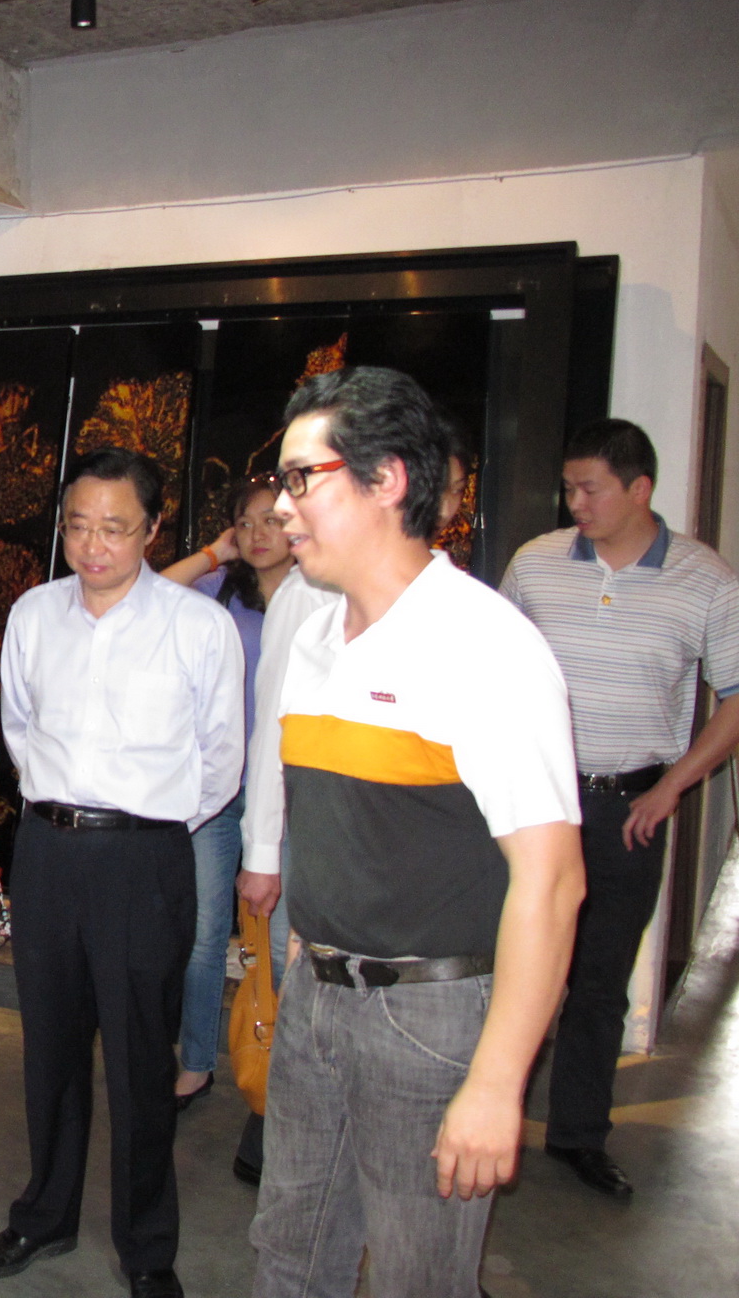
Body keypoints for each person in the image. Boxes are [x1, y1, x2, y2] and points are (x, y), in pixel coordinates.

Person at [248, 367, 584, 1298]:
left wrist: (497, 1083)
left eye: (301, 478)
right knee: (288, 1254)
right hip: (315, 995)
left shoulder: (485, 644)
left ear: (387, 479)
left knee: (417, 1278)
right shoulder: (312, 631)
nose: (282, 507)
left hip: (429, 1017)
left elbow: (553, 881)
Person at [0, 449, 243, 1298]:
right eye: (78, 525)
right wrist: (66, 812)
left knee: (138, 1059)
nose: (93, 545)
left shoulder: (197, 626)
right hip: (49, 851)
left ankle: (147, 1247)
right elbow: (18, 727)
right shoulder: (33, 613)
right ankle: (44, 1215)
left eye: (115, 528)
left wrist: (147, 827)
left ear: (153, 530)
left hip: (144, 858)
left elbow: (222, 759)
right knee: (48, 1046)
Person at [499, 418, 739, 1200]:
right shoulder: (536, 563)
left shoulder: (706, 580)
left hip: (629, 808)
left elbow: (736, 700)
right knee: (509, 963)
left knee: (600, 981)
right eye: (569, 488)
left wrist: (672, 788)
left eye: (590, 489)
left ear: (640, 489)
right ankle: (492, 1109)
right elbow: (491, 669)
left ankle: (577, 1135)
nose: (575, 503)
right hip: (536, 802)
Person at [157, 477, 295, 1109]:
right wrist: (214, 552)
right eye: (246, 522)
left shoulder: (320, 595)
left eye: (272, 520)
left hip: (288, 790)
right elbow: (153, 592)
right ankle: (197, 1061)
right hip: (216, 789)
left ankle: (281, 1074)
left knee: (284, 939)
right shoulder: (218, 593)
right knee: (204, 933)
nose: (259, 533)